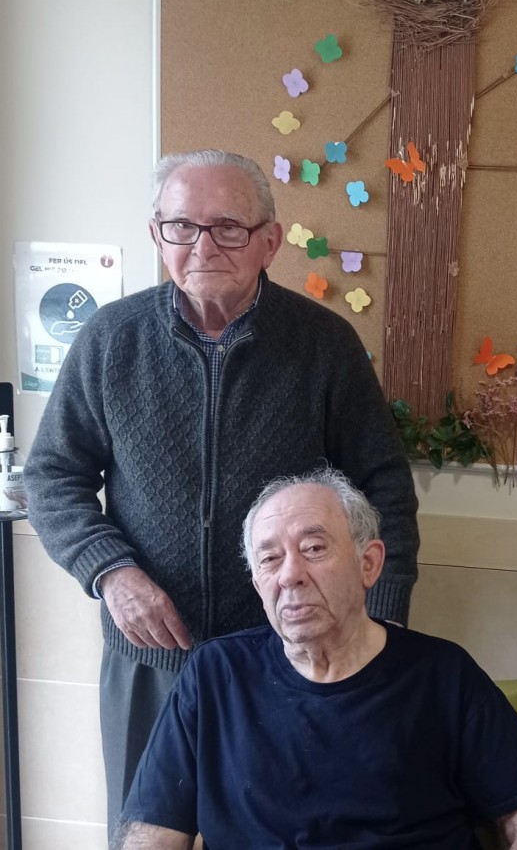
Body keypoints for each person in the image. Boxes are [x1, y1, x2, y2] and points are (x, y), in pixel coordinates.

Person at [24, 149, 419, 833]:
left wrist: (380, 625)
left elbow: (383, 485)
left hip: (287, 655)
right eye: (182, 226)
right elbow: (52, 475)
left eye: (229, 227)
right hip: (150, 659)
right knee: (145, 831)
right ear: (157, 235)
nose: (203, 246)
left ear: (270, 240)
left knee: (284, 830)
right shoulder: (110, 339)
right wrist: (111, 573)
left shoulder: (324, 344)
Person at [116, 469, 517, 849]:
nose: (290, 575)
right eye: (269, 559)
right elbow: (151, 834)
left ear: (368, 564)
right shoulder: (214, 676)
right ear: (257, 584)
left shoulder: (445, 675)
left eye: (314, 549)